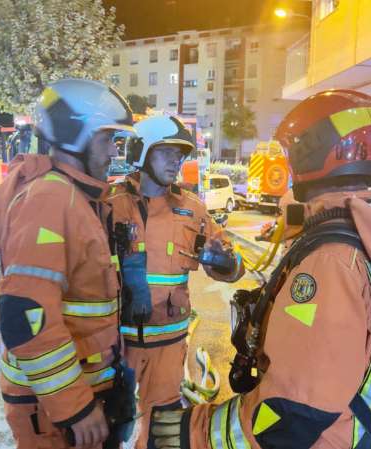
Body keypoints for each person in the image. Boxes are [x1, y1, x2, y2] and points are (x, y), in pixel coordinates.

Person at [151, 90, 371, 449]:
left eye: (293, 151)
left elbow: (293, 414)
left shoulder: (331, 261)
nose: (288, 165)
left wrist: (193, 433)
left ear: (318, 150)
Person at [0, 78, 136, 449]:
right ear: (76, 134)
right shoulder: (49, 198)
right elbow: (25, 317)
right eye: (108, 138)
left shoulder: (77, 197)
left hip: (74, 392)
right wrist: (76, 408)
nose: (114, 151)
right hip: (54, 409)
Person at [106, 115, 244, 449]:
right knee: (113, 427)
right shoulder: (110, 204)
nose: (176, 160)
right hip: (116, 347)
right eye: (166, 151)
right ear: (141, 152)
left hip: (168, 349)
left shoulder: (192, 209)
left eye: (180, 153)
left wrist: (226, 261)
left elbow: (234, 265)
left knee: (161, 432)